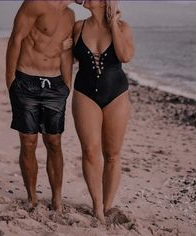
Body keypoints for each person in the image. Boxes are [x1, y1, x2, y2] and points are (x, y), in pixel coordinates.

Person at [6, 0, 75, 212]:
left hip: (55, 85)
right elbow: (16, 39)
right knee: (28, 142)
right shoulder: (36, 3)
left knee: (54, 142)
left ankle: (56, 199)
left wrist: (66, 84)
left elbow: (65, 52)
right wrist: (10, 81)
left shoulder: (70, 15)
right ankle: (32, 197)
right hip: (26, 80)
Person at [72, 0, 134, 223]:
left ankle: (108, 207)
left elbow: (125, 56)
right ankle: (97, 206)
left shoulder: (123, 27)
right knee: (89, 150)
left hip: (116, 95)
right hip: (84, 93)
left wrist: (114, 24)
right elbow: (64, 56)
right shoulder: (78, 27)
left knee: (113, 154)